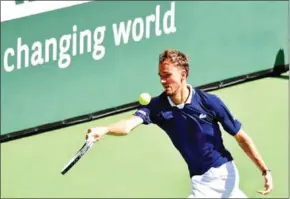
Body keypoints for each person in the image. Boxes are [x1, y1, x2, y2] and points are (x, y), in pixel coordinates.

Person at [86, 49, 273, 198]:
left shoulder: (209, 102)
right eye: (160, 75)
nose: (162, 80)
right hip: (201, 179)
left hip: (220, 174)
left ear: (183, 74)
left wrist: (264, 169)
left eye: (167, 75)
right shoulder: (156, 106)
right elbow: (128, 125)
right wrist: (105, 129)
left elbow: (241, 137)